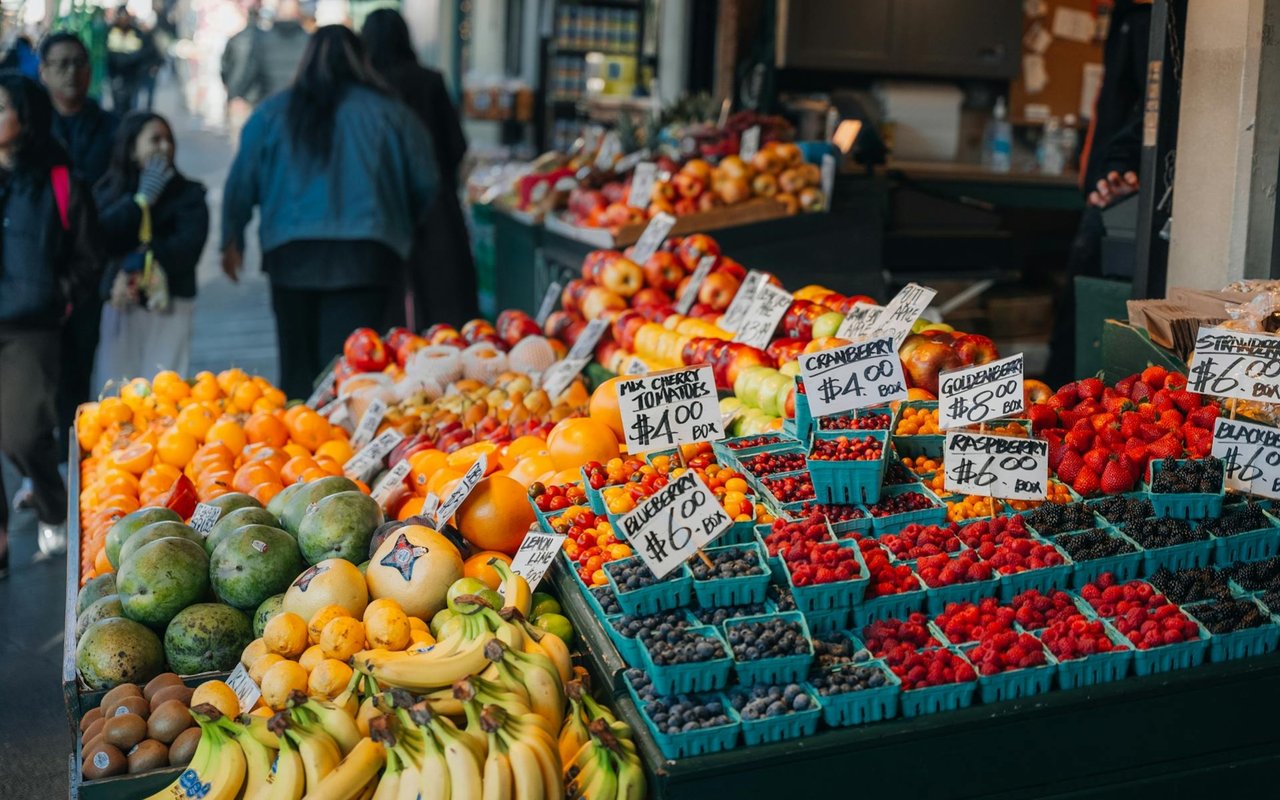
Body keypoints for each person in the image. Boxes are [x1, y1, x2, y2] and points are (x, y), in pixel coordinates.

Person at [221, 25, 438, 399]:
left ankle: (299, 445)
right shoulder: (391, 114)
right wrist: (403, 223)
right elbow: (426, 182)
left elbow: (241, 182)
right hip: (368, 255)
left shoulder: (271, 114)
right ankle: (347, 451)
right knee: (355, 374)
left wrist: (232, 238)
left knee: (297, 369)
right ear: (363, 62)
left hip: (291, 255)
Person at [0, 73, 100, 575]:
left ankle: (51, 498)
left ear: (26, 117)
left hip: (30, 328)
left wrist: (57, 299)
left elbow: (87, 255)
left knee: (21, 434)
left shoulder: (59, 178)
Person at [1046, 0, 1151, 386]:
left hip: (1121, 197)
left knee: (1088, 315)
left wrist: (1119, 169)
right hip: (1105, 188)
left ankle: (1068, 403)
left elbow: (1148, 112)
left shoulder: (1149, 18)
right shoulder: (1126, 14)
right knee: (1075, 308)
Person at [362, 8, 477, 329]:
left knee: (389, 306)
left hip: (379, 206)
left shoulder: (367, 91)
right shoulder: (430, 81)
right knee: (445, 296)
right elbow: (457, 145)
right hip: (436, 203)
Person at [40, 31, 119, 469]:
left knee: (80, 376)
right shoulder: (30, 128)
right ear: (44, 71)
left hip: (94, 269)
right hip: (40, 272)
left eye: (79, 63)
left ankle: (77, 464)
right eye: (61, 64)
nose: (72, 72)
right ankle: (44, 470)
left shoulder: (111, 127)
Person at [93, 112, 208, 388]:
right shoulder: (108, 192)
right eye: (155, 140)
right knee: (115, 390)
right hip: (121, 306)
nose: (164, 147)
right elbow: (101, 239)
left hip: (171, 306)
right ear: (132, 149)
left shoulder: (189, 194)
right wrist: (141, 201)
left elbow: (187, 248)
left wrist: (136, 262)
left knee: (165, 388)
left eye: (168, 140)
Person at [226, 0, 309, 115]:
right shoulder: (310, 41)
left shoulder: (262, 40)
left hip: (269, 106)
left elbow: (250, 71)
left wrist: (237, 94)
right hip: (300, 108)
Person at [105, 6, 158, 112]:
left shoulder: (137, 33)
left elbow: (145, 51)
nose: (123, 20)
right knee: (117, 103)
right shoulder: (110, 32)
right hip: (116, 73)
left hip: (133, 74)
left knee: (132, 103)